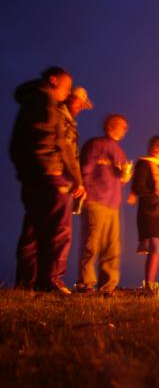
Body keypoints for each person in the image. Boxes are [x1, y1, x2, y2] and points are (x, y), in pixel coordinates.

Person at [10, 67, 81, 293]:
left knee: (33, 227)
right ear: (53, 80)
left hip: (32, 175)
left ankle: (26, 283)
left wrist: (26, 172)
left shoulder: (30, 102)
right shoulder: (46, 103)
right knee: (59, 229)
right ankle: (51, 280)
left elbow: (15, 144)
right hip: (50, 174)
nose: (68, 93)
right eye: (67, 87)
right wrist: (73, 178)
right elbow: (60, 143)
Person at [76, 115, 131, 295]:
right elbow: (85, 169)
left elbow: (119, 179)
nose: (125, 130)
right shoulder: (96, 145)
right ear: (110, 126)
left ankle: (108, 286)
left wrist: (125, 177)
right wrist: (86, 189)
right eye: (122, 126)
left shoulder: (120, 151)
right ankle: (86, 284)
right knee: (91, 242)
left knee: (112, 246)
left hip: (113, 204)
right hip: (95, 200)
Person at [132, 136, 159, 285]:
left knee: (158, 250)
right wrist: (154, 198)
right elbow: (138, 186)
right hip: (150, 214)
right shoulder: (144, 164)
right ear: (156, 148)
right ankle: (149, 284)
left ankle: (151, 284)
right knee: (154, 248)